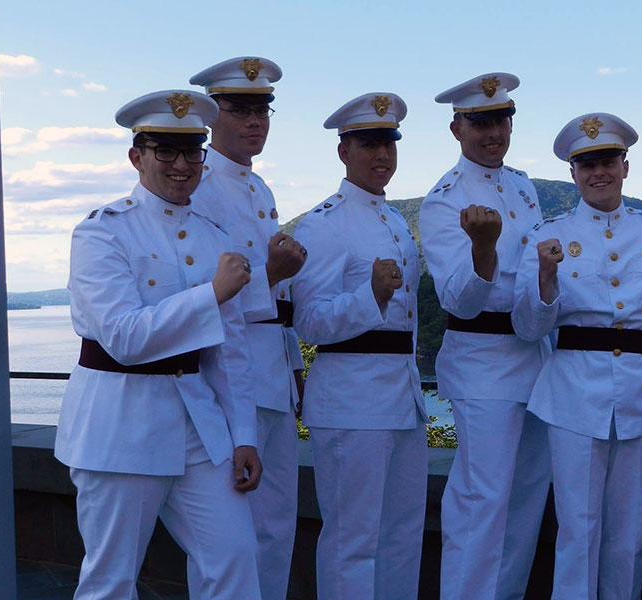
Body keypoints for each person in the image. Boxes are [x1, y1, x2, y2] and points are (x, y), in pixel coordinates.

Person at [55, 90, 262, 599]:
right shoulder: (102, 233)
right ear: (136, 156)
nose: (181, 164)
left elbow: (229, 353)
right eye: (164, 150)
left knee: (234, 559)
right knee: (111, 579)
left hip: (199, 430)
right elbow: (124, 337)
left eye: (193, 151)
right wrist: (210, 293)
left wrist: (244, 434)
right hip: (119, 428)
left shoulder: (214, 236)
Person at [513, 112, 642, 599]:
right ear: (572, 173)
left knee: (630, 536)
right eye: (587, 164)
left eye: (608, 161)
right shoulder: (546, 236)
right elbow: (528, 327)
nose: (599, 172)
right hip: (573, 392)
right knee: (577, 530)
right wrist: (546, 279)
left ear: (625, 165)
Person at [419, 72, 551, 599]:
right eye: (480, 122)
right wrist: (483, 250)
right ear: (457, 128)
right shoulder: (443, 200)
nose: (493, 132)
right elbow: (458, 301)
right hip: (484, 363)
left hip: (536, 359)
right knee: (483, 502)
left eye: (501, 119)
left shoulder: (522, 185)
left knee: (524, 502)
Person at [291, 92, 428, 599]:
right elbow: (308, 321)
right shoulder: (323, 224)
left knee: (401, 535)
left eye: (389, 144)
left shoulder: (393, 222)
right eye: (368, 144)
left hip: (400, 397)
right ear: (343, 150)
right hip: (350, 399)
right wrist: (369, 298)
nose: (382, 156)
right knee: (352, 540)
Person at [189, 56, 308, 600]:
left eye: (262, 109)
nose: (254, 120)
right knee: (231, 533)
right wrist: (271, 275)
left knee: (278, 521)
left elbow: (277, 295)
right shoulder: (200, 184)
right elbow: (203, 291)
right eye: (239, 109)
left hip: (273, 367)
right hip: (230, 372)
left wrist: (295, 363)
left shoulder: (257, 189)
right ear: (213, 115)